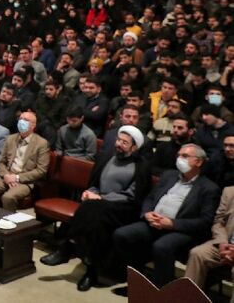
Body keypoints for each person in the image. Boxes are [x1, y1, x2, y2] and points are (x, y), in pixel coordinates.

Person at [40, 125, 151, 292]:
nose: (119, 144)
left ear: (134, 147)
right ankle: (90, 269)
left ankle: (67, 248)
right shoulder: (106, 157)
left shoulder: (141, 166)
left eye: (125, 143)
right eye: (118, 140)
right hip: (98, 204)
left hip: (123, 207)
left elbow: (132, 195)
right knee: (94, 215)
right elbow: (94, 183)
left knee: (94, 211)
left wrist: (102, 198)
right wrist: (89, 192)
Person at [111, 143, 220, 294]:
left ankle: (160, 292)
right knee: (122, 235)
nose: (179, 159)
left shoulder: (209, 188)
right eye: (179, 155)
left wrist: (172, 224)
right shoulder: (169, 175)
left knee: (162, 247)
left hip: (180, 231)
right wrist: (147, 213)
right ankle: (138, 283)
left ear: (199, 162)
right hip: (154, 222)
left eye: (185, 156)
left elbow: (205, 221)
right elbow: (150, 198)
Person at [0, 111, 50, 211]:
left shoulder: (42, 144)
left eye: (26, 120)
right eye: (21, 119)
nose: (22, 122)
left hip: (24, 181)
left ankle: (8, 224)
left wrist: (17, 178)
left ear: (33, 125)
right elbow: (1, 161)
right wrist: (6, 175)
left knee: (8, 197)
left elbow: (41, 170)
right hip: (6, 176)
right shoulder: (10, 139)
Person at [184, 186, 234, 294]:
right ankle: (188, 298)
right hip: (225, 242)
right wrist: (222, 242)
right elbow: (219, 221)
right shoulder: (229, 191)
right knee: (198, 253)